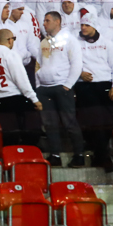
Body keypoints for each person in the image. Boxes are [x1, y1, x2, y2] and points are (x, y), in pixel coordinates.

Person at [75, 10, 113, 173]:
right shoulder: (75, 42)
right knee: (93, 121)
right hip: (85, 86)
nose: (83, 28)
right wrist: (79, 73)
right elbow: (69, 62)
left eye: (87, 25)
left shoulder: (107, 43)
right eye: (82, 25)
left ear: (94, 26)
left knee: (109, 120)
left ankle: (100, 155)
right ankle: (104, 157)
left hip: (105, 85)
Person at [35, 11, 85, 167]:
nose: (44, 23)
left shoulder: (70, 40)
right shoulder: (44, 42)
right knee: (50, 124)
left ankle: (79, 155)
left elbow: (77, 64)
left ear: (57, 22)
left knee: (69, 122)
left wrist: (68, 85)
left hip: (62, 87)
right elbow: (38, 64)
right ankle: (55, 155)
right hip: (44, 89)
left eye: (47, 20)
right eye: (44, 20)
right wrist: (38, 86)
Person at [0, 28, 42, 147]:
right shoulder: (10, 54)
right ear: (10, 40)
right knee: (31, 134)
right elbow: (21, 79)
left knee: (8, 139)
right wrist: (34, 99)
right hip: (15, 99)